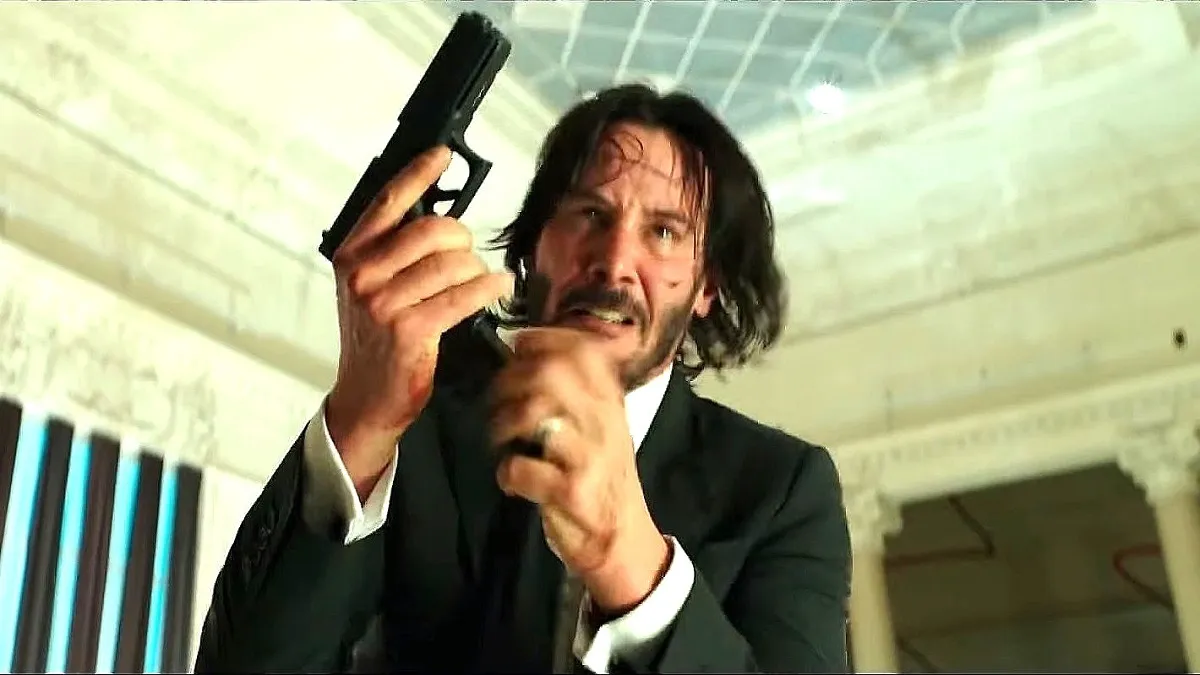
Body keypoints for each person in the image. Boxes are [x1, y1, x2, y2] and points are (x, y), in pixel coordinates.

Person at [195, 84, 851, 674]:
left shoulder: (783, 491)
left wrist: (628, 559)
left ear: (706, 286)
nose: (615, 261)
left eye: (663, 231)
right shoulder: (415, 434)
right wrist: (360, 423)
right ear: (536, 244)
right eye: (590, 214)